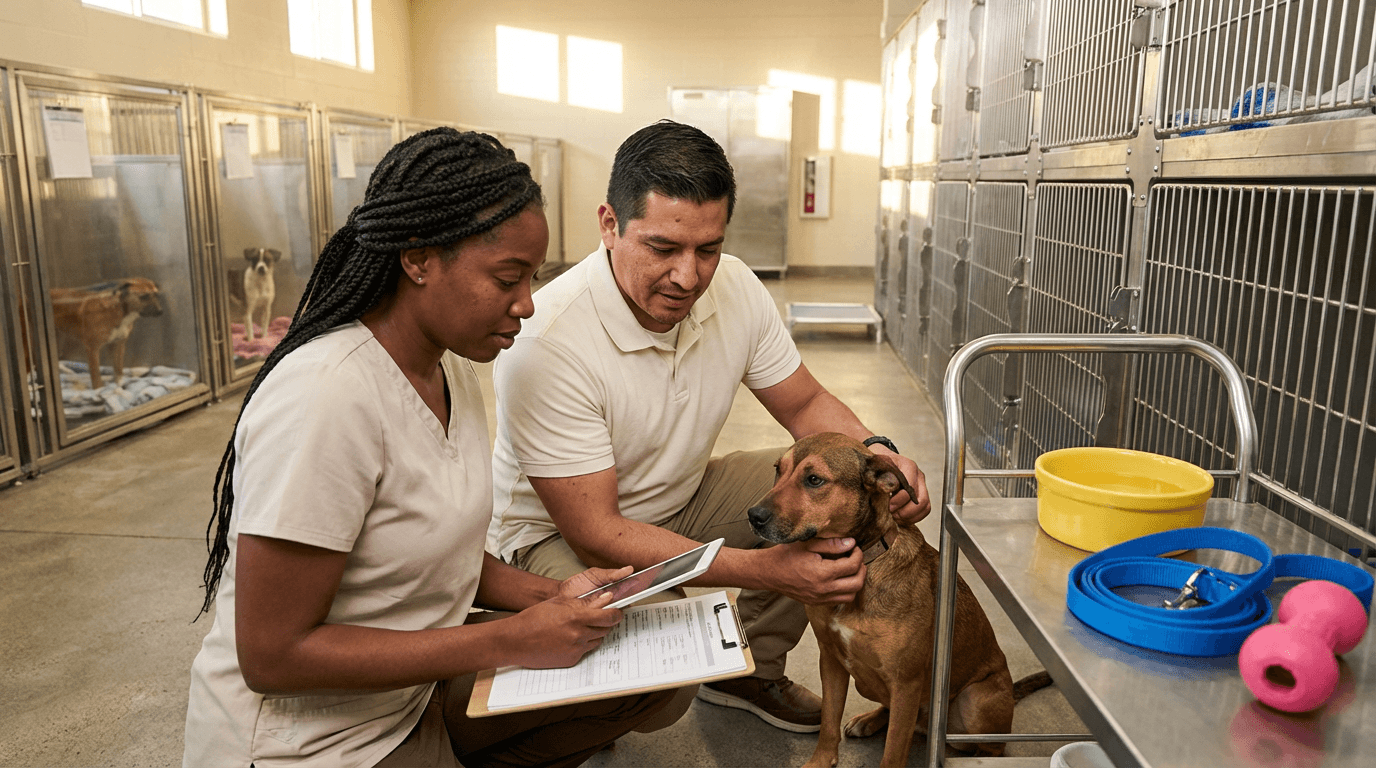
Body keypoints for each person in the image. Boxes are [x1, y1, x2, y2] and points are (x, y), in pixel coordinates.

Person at [184, 127, 673, 768]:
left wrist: (553, 600)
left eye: (533, 277)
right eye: (506, 278)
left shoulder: (452, 368)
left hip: (409, 695)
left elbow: (437, 554)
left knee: (656, 680)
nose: (527, 304)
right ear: (418, 259)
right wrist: (507, 640)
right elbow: (273, 655)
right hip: (315, 745)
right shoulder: (327, 396)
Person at [489, 120, 931, 733]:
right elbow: (597, 533)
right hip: (560, 537)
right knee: (661, 672)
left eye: (708, 248)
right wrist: (763, 569)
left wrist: (879, 452)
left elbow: (804, 405)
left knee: (832, 500)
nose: (688, 277)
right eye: (663, 249)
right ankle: (569, 711)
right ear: (609, 225)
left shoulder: (735, 287)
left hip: (682, 495)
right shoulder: (549, 342)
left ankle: (748, 673)